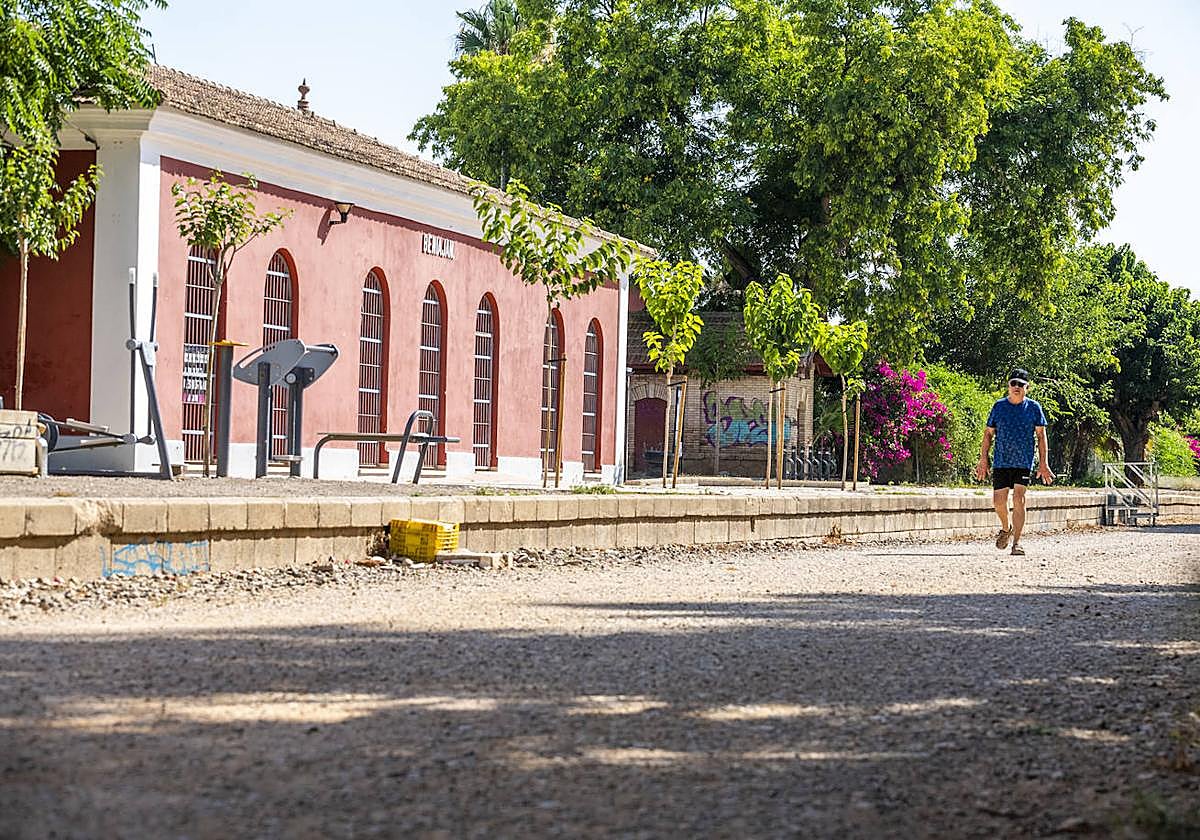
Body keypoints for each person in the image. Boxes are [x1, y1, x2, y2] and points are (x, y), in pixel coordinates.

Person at [973, 368, 1055, 556]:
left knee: (1019, 498)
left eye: (1021, 384)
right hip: (1001, 461)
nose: (1016, 387)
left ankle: (1017, 543)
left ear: (1027, 387)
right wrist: (983, 459)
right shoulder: (999, 407)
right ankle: (1006, 527)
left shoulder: (1034, 408)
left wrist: (1043, 463)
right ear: (1008, 386)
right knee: (998, 502)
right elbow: (988, 434)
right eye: (1013, 383)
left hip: (1023, 461)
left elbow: (1041, 436)